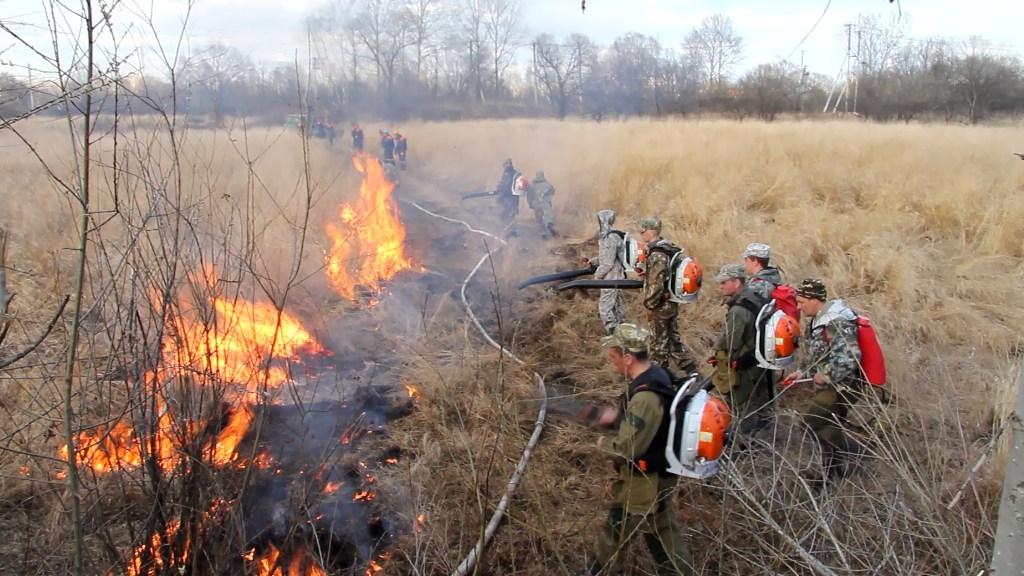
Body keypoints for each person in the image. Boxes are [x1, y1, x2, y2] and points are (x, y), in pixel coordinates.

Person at [578, 323, 696, 576]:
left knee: (626, 532)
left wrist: (604, 445)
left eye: (614, 357)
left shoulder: (645, 397)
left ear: (628, 358)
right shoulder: (658, 375)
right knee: (656, 532)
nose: (613, 362)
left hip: (645, 482)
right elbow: (648, 426)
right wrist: (618, 419)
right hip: (655, 476)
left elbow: (627, 449)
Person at [781, 278, 867, 482]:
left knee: (811, 424)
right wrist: (803, 372)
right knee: (827, 426)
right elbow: (818, 354)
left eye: (801, 302)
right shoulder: (820, 319)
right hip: (832, 384)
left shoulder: (836, 321)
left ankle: (861, 458)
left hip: (842, 386)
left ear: (815, 299)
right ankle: (835, 473)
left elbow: (851, 357)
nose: (799, 307)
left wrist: (826, 374)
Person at [710, 263, 773, 436]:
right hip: (758, 358)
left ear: (737, 283)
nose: (720, 286)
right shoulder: (754, 297)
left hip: (744, 365)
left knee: (741, 406)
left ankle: (744, 443)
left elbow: (730, 343)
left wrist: (719, 356)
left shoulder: (738, 310)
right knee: (758, 403)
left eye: (724, 282)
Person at [638, 216, 699, 375]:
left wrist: (649, 304)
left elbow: (657, 283)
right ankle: (692, 372)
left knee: (658, 344)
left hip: (660, 305)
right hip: (670, 301)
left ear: (652, 231)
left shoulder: (657, 253)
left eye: (643, 231)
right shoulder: (668, 248)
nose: (641, 234)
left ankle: (660, 379)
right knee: (673, 340)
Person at [584, 210, 626, 334]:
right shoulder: (614, 235)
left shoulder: (609, 238)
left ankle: (613, 333)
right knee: (617, 306)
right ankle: (623, 332)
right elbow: (608, 257)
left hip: (611, 277)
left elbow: (608, 263)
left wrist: (597, 276)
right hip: (617, 275)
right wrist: (593, 261)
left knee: (606, 307)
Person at [526, 170, 558, 239]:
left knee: (539, 219)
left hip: (536, 204)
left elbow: (529, 195)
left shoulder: (532, 185)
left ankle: (543, 233)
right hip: (545, 203)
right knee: (548, 215)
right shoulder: (547, 183)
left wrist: (530, 204)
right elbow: (553, 191)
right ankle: (550, 224)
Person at [494, 158, 521, 233]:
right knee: (509, 216)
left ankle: (509, 231)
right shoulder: (512, 173)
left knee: (507, 216)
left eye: (508, 163)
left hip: (509, 198)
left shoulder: (509, 174)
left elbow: (505, 186)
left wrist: (499, 196)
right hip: (513, 199)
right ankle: (510, 230)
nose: (506, 165)